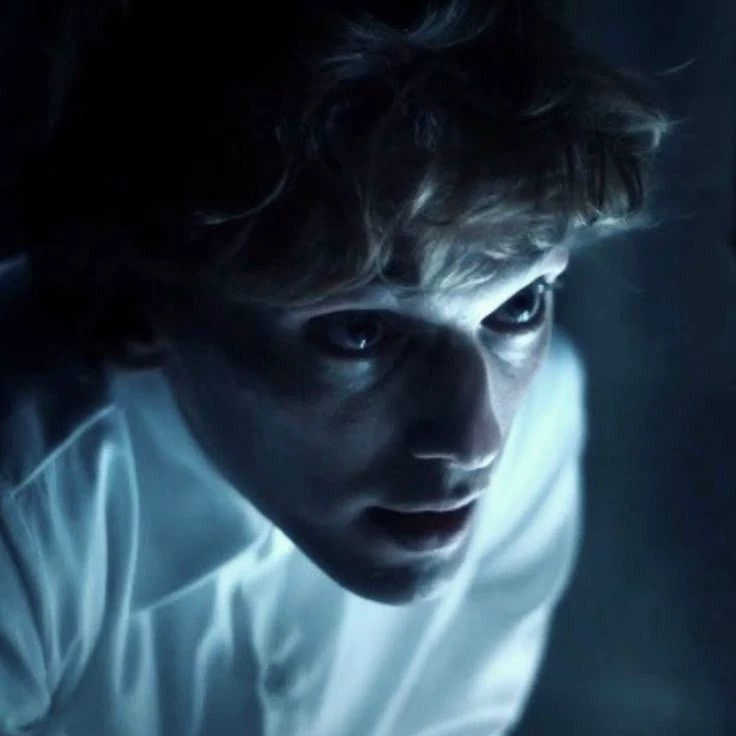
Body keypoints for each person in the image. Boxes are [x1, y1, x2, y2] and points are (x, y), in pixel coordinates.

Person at [0, 1, 666, 734]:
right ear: (143, 306)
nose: (474, 443)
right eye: (360, 331)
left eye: (519, 305)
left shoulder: (539, 427)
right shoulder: (30, 511)